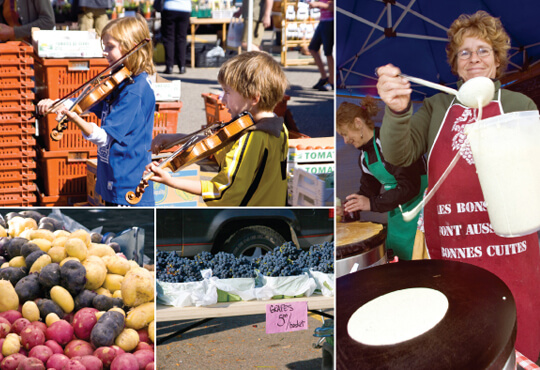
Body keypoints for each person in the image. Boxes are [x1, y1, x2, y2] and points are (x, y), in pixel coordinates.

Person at [376, 10, 540, 361]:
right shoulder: (435, 106)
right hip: (453, 249)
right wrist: (397, 111)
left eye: (483, 50)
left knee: (517, 337)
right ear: (455, 64)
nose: (474, 59)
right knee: (462, 340)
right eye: (464, 53)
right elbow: (399, 153)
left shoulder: (519, 105)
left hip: (511, 245)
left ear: (497, 60)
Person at [37, 14, 156, 207]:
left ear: (132, 47)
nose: (104, 52)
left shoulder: (135, 91)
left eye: (110, 47)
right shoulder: (119, 81)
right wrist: (57, 103)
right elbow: (88, 102)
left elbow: (104, 137)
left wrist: (75, 119)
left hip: (127, 182)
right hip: (112, 173)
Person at [145, 51, 289, 206]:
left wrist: (171, 181)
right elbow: (220, 143)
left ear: (254, 98)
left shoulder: (252, 138)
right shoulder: (278, 128)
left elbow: (222, 191)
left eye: (227, 91)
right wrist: (177, 139)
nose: (222, 98)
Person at [337, 96, 427, 260]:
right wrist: (349, 207)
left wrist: (371, 203)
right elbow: (367, 192)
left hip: (421, 212)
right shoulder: (364, 157)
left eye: (345, 133)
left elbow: (409, 186)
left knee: (419, 260)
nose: (345, 140)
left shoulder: (390, 142)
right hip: (398, 217)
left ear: (358, 123)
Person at [309, 0, 334, 91]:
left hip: (330, 22)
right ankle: (324, 77)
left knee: (328, 52)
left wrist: (318, 4)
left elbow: (333, 8)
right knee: (312, 48)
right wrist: (316, 5)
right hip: (323, 21)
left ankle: (332, 82)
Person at [161, 0, 191, 74]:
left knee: (169, 38)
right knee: (182, 38)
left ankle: (169, 67)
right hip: (185, 8)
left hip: (170, 7)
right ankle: (182, 66)